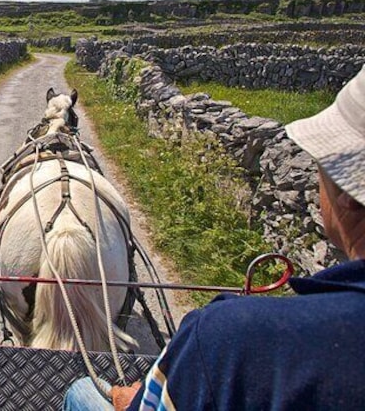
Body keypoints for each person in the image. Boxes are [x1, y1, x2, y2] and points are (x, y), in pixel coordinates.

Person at [65, 64, 365, 410]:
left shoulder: (228, 336)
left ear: (346, 191)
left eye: (321, 162)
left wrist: (125, 399)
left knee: (82, 390)